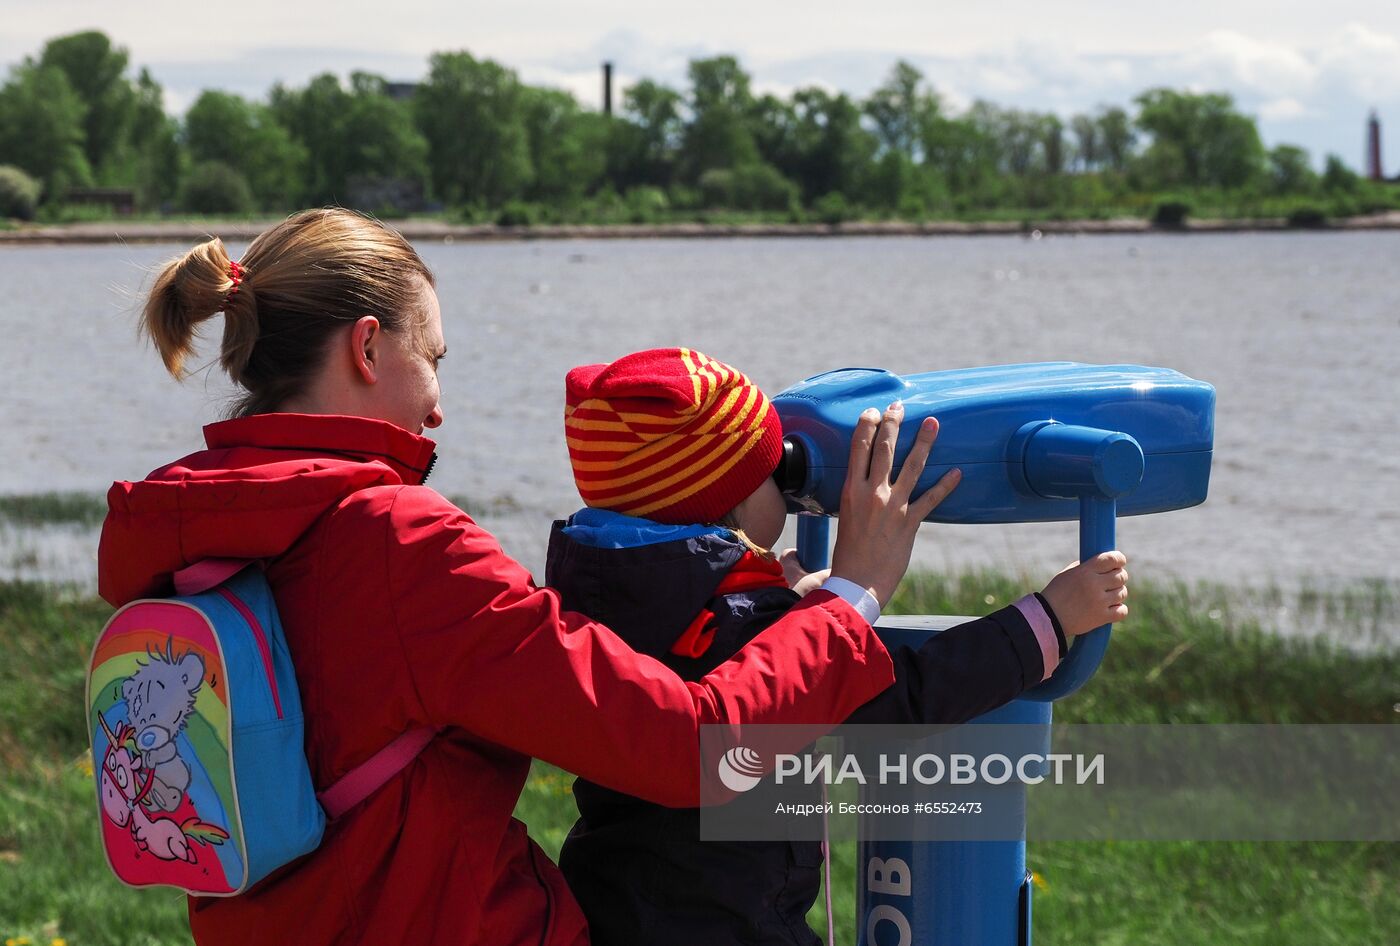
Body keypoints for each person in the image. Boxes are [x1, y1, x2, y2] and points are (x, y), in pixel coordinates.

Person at [97, 209, 959, 945]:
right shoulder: (399, 541)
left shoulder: (194, 533)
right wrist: (851, 597)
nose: (438, 405)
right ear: (368, 347)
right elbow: (688, 747)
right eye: (433, 357)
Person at [546, 347, 1130, 946]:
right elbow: (900, 701)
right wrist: (1050, 621)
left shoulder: (584, 599)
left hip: (611, 905)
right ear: (734, 501)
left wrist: (785, 596)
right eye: (775, 472)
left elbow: (694, 620)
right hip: (732, 925)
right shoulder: (737, 626)